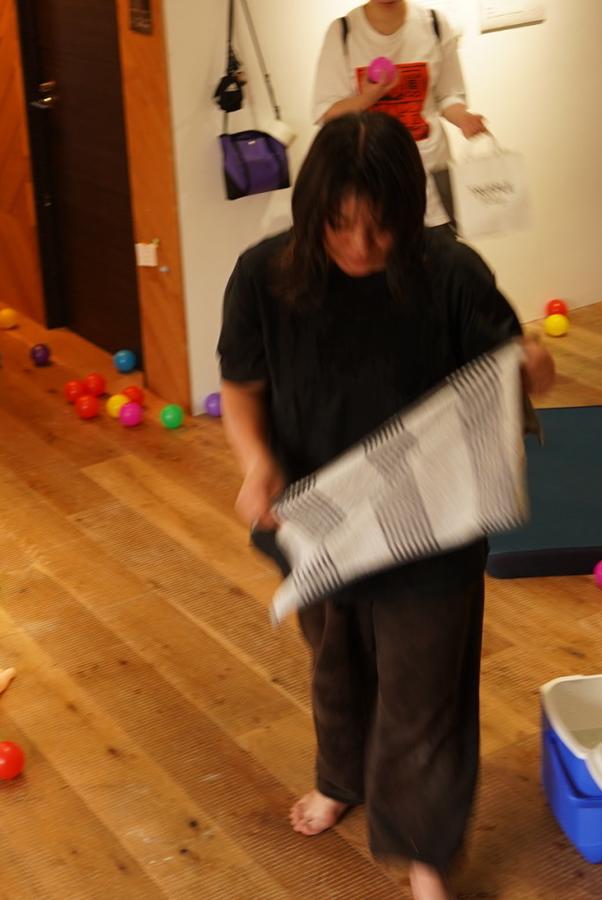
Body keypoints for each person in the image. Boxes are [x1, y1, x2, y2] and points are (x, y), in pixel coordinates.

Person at [216, 112, 554, 899]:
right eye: (340, 225)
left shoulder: (450, 272)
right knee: (336, 661)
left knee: (423, 687)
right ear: (311, 211)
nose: (361, 246)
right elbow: (242, 386)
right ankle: (342, 777)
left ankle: (424, 852)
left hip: (434, 517)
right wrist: (257, 462)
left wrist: (534, 363)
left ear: (411, 212)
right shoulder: (264, 275)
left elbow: (514, 365)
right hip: (320, 512)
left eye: (381, 227)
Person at [312, 0, 488, 228]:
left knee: (439, 253)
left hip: (431, 173)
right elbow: (328, 114)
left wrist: (464, 119)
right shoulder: (344, 32)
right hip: (371, 177)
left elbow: (448, 95)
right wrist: (369, 96)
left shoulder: (433, 24)